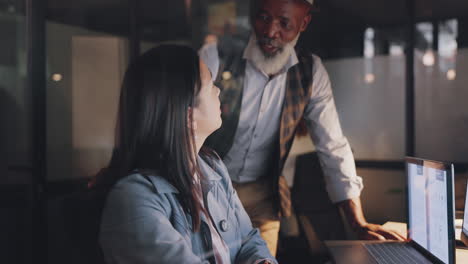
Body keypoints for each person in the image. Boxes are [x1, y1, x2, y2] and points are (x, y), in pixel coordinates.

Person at [200, 0, 405, 256]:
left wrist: (357, 222)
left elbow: (333, 146)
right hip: (208, 188)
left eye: (284, 23)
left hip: (265, 197)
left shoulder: (311, 72)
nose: (270, 31)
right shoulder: (215, 55)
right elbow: (182, 125)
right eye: (263, 17)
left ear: (304, 22)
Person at [95, 44, 277, 264]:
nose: (218, 90)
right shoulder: (133, 199)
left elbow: (248, 239)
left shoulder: (212, 168)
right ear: (188, 116)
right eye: (210, 85)